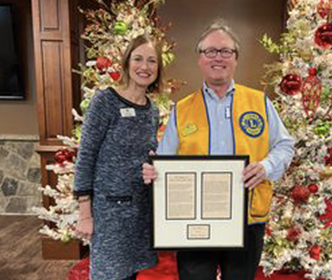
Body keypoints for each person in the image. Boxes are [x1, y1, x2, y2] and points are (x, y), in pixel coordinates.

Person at [142, 20, 295, 280]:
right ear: (200, 59)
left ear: (235, 59)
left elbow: (284, 145)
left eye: (226, 51)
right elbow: (165, 161)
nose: (218, 58)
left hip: (247, 218)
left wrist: (266, 167)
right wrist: (155, 171)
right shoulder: (182, 110)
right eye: (210, 51)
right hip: (195, 222)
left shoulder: (259, 102)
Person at [74, 34, 163, 280]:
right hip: (109, 213)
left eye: (152, 61)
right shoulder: (105, 101)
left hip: (139, 212)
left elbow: (147, 154)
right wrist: (85, 213)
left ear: (158, 68)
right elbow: (86, 157)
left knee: (131, 274)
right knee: (108, 274)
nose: (144, 67)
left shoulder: (152, 110)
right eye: (138, 59)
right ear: (126, 63)